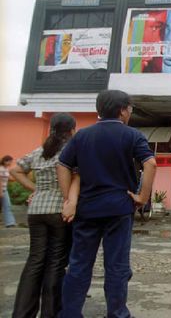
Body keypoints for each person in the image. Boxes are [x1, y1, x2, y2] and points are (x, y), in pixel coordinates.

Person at [57, 89, 157, 317]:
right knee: (117, 266)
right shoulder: (132, 135)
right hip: (119, 208)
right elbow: (150, 164)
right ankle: (117, 313)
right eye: (130, 109)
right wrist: (141, 197)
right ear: (122, 111)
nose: (130, 113)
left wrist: (68, 199)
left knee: (79, 265)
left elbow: (62, 165)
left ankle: (70, 313)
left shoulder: (82, 136)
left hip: (86, 209)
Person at [10, 114, 77, 317]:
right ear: (72, 130)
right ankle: (51, 312)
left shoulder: (41, 150)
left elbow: (16, 170)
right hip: (59, 209)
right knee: (56, 262)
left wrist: (36, 189)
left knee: (35, 260)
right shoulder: (70, 150)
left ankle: (22, 313)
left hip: (36, 212)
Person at [1, 155, 17, 228]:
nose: (10, 163)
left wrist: (18, 177)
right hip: (2, 190)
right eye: (9, 161)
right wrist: (0, 192)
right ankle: (10, 222)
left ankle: (10, 223)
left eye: (11, 161)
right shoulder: (1, 169)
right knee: (7, 206)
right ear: (4, 161)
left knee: (7, 206)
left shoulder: (6, 169)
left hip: (4, 190)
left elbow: (9, 178)